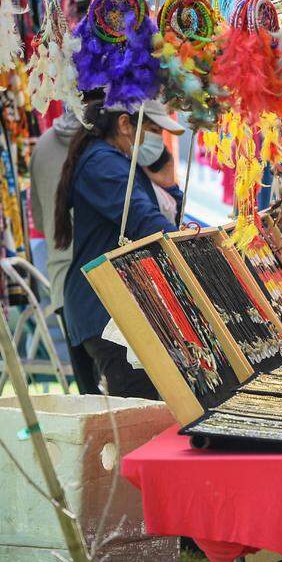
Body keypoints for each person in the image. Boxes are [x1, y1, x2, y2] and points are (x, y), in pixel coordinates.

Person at [54, 98, 185, 398]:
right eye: (152, 130)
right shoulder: (103, 163)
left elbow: (158, 216)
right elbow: (146, 222)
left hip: (114, 303)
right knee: (137, 407)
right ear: (125, 124)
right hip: (103, 307)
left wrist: (168, 184)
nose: (158, 141)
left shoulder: (120, 161)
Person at [29, 107, 100, 394]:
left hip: (61, 277)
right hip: (101, 282)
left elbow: (37, 214)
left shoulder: (43, 144)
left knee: (88, 391)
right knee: (124, 393)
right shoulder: (101, 147)